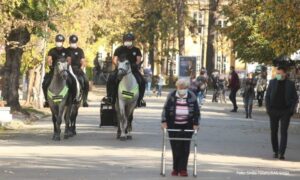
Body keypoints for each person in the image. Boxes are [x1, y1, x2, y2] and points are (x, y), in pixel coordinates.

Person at [161, 78, 200, 177]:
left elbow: (196, 111)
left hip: (187, 125)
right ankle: (175, 168)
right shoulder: (171, 96)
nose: (182, 89)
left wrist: (196, 123)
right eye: (180, 87)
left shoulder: (192, 96)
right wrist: (164, 121)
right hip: (173, 124)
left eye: (184, 87)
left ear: (187, 87)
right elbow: (165, 109)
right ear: (177, 87)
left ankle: (183, 169)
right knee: (176, 148)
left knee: (185, 148)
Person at [102, 33, 146, 107]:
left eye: (129, 40)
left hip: (132, 70)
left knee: (142, 81)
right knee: (111, 78)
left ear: (132, 41)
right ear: (123, 41)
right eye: (126, 40)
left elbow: (138, 59)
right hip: (120, 69)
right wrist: (118, 65)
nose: (127, 41)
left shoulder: (136, 50)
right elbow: (114, 59)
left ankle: (140, 100)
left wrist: (135, 65)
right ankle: (110, 97)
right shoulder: (119, 49)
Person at [265, 66, 298, 160]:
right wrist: (268, 109)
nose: (277, 75)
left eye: (279, 73)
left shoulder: (290, 84)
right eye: (277, 73)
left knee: (284, 132)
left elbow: (295, 98)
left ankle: (281, 153)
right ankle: (275, 151)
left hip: (285, 111)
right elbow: (267, 96)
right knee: (273, 132)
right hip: (273, 110)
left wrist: (291, 110)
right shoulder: (272, 82)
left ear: (284, 74)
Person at [42, 34, 69, 107]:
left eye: (60, 41)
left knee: (71, 82)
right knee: (45, 83)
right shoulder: (52, 50)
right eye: (57, 41)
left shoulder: (66, 51)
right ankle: (47, 100)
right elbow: (49, 60)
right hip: (54, 71)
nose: (58, 42)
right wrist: (51, 66)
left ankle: (70, 99)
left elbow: (69, 60)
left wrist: (66, 67)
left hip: (64, 71)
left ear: (62, 42)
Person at [66, 35, 89, 107]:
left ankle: (85, 99)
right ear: (69, 42)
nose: (73, 43)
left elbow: (83, 62)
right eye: (72, 42)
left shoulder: (80, 50)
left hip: (78, 69)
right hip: (68, 69)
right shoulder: (66, 50)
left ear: (76, 42)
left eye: (74, 42)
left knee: (85, 80)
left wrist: (81, 69)